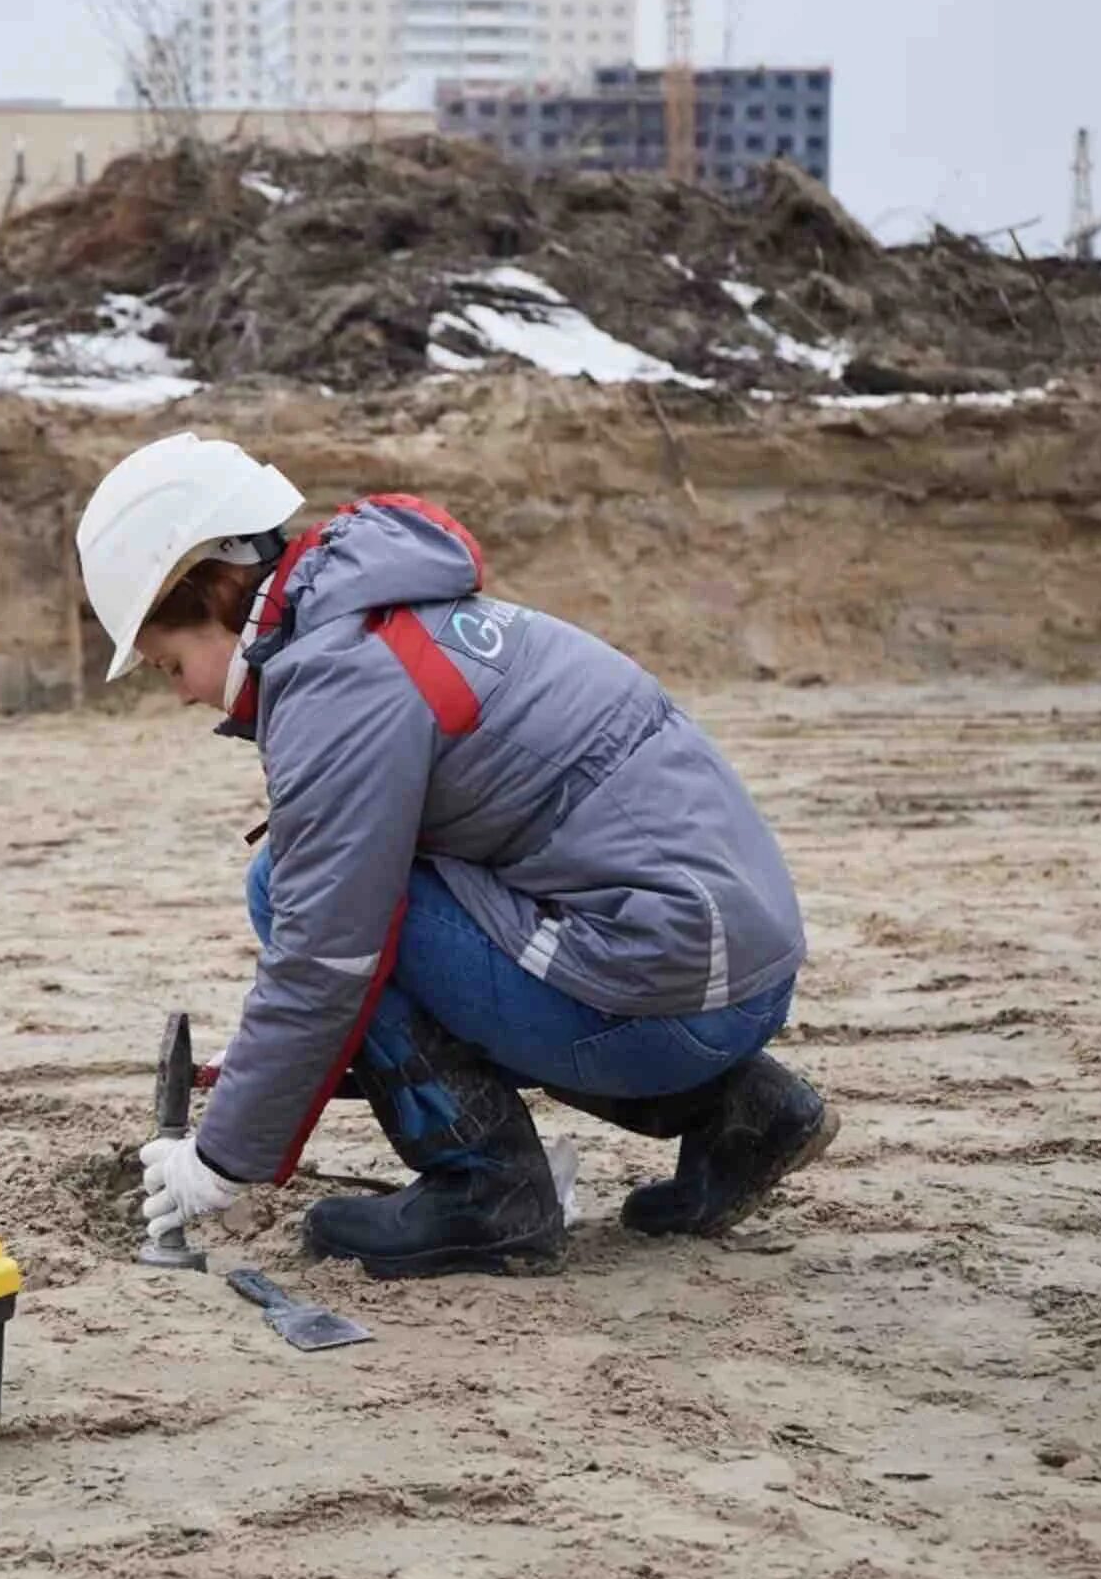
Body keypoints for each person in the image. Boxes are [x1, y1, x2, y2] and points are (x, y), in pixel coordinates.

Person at [80, 433, 838, 1279]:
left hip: (667, 1002)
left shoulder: (338, 681)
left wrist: (220, 1158)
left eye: (169, 662)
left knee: (290, 892)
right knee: (348, 912)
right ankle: (741, 1110)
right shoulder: (383, 616)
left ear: (215, 587)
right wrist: (281, 1062)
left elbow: (328, 955)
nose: (181, 689)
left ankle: (487, 1191)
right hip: (729, 978)